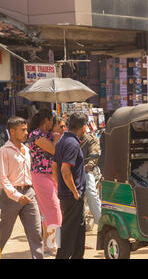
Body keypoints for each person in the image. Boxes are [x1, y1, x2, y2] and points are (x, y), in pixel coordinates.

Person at [0, 117, 44, 259]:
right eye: (23, 130)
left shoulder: (26, 149)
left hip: (29, 193)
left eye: (26, 129)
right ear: (12, 132)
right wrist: (18, 196)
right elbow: (3, 178)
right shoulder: (4, 151)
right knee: (4, 233)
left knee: (36, 232)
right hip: (10, 196)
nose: (26, 133)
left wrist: (32, 192)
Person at [52, 113, 88, 259]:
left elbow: (54, 166)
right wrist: (74, 191)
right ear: (83, 127)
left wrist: (60, 186)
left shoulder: (62, 140)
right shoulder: (72, 143)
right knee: (67, 236)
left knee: (78, 235)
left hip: (68, 195)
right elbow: (64, 169)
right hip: (73, 196)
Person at [27, 109, 62, 256]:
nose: (52, 124)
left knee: (50, 210)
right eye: (51, 121)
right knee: (54, 210)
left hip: (52, 175)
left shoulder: (47, 135)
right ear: (46, 120)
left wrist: (56, 134)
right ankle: (54, 245)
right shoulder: (35, 135)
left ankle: (48, 245)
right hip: (41, 175)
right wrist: (56, 137)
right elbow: (54, 150)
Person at [80, 122, 102, 226]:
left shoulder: (90, 139)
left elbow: (95, 154)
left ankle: (101, 221)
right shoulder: (67, 139)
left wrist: (89, 164)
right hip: (69, 171)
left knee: (91, 193)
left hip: (86, 171)